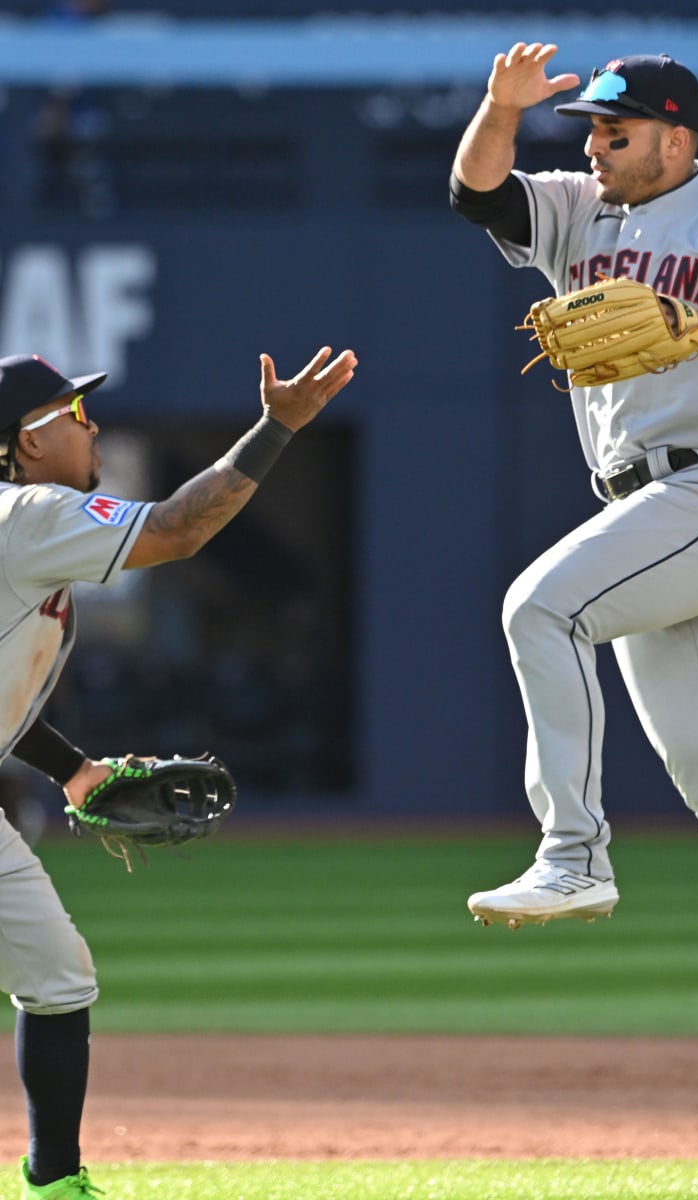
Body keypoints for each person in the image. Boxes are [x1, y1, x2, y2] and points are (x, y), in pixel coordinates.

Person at [449, 42, 698, 1119]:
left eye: (616, 130)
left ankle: (573, 850)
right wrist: (498, 109)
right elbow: (477, 193)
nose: (594, 145)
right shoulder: (577, 207)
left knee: (541, 606)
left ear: (678, 137)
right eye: (589, 128)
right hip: (638, 507)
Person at [0, 345, 356, 1198]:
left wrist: (74, 769)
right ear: (26, 438)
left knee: (58, 976)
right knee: (56, 976)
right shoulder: (30, 514)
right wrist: (277, 429)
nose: (92, 425)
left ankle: (55, 1181)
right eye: (74, 413)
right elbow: (178, 528)